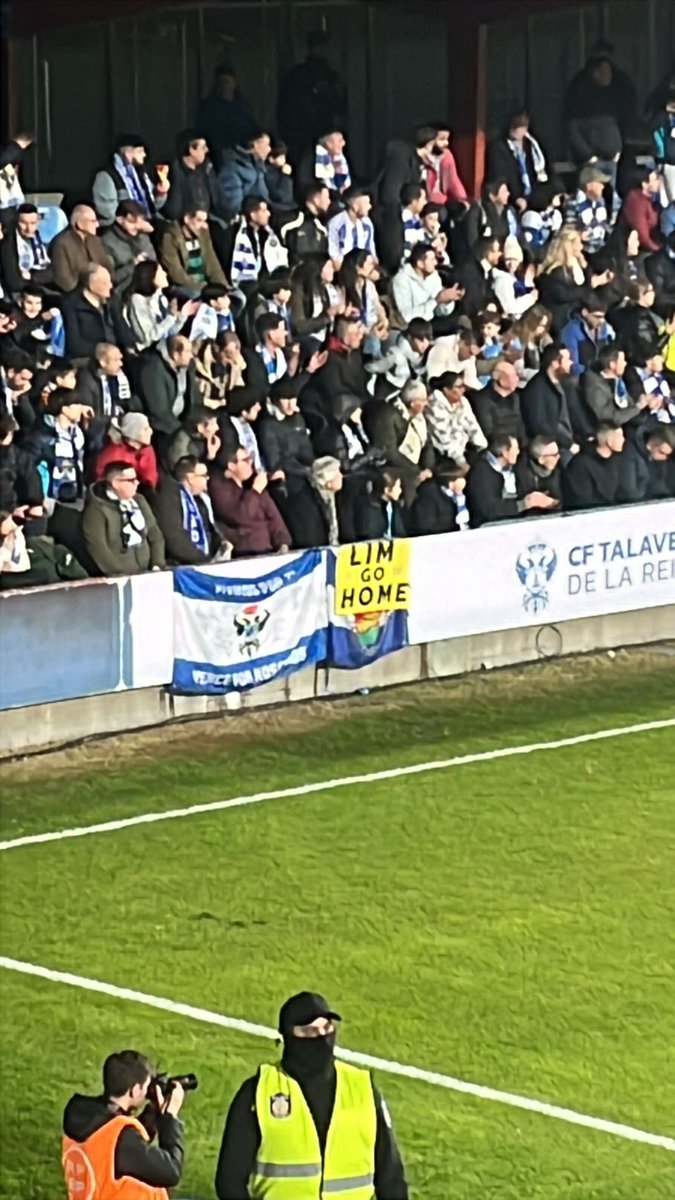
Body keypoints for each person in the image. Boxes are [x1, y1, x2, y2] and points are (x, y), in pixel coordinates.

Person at [215, 990, 408, 1200]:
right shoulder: (259, 1092)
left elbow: (391, 1178)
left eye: (327, 1027)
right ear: (288, 1036)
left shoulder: (363, 1089)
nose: (321, 1037)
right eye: (309, 1031)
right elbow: (230, 1181)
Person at [62, 1050, 183, 1199]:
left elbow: (119, 1146)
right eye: (146, 1087)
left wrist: (154, 1111)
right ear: (134, 1091)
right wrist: (170, 1118)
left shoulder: (85, 1118)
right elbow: (171, 1172)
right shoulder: (122, 1140)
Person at [82, 460, 165, 575]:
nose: (137, 483)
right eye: (131, 480)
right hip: (118, 578)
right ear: (115, 483)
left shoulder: (139, 501)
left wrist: (157, 564)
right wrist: (119, 572)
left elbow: (155, 535)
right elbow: (98, 548)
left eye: (137, 479)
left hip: (147, 572)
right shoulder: (96, 509)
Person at [276, 31, 347, 165]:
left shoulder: (329, 76)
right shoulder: (299, 76)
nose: (324, 51)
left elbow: (340, 104)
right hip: (302, 134)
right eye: (321, 47)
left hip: (316, 133)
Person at [208, 444, 290, 556]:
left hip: (269, 550)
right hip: (247, 553)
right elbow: (241, 517)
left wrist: (283, 542)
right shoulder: (219, 488)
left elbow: (272, 515)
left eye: (250, 458)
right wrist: (255, 491)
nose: (250, 463)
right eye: (245, 460)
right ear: (232, 466)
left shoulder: (250, 482)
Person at [564, 48, 636, 172]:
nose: (609, 75)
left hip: (613, 160)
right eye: (605, 72)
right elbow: (572, 128)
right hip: (592, 162)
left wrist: (618, 151)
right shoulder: (580, 95)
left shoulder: (613, 94)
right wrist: (588, 156)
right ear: (596, 73)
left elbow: (621, 123)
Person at [150, 455, 228, 565]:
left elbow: (208, 528)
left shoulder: (199, 498)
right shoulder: (168, 498)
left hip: (203, 561)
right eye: (204, 476)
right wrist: (203, 559)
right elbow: (175, 540)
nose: (207, 479)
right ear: (191, 478)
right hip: (182, 567)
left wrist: (221, 543)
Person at [466, 433, 558, 527]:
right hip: (489, 528)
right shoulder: (481, 473)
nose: (518, 452)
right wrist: (524, 504)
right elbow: (488, 510)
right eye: (515, 449)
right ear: (505, 453)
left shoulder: (516, 468)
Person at [363, 378, 435, 496]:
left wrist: (428, 468)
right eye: (423, 400)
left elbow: (427, 443)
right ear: (413, 403)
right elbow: (389, 451)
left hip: (415, 465)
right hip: (392, 466)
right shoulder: (388, 415)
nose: (426, 404)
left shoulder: (420, 418)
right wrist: (416, 471)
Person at [92, 134, 168, 227]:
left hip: (144, 224)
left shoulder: (142, 174)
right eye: (140, 151)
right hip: (121, 229)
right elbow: (108, 215)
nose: (144, 155)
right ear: (128, 154)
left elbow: (153, 208)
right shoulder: (107, 176)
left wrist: (160, 193)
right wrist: (134, 220)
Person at [76, 342, 139, 447]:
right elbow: (90, 417)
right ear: (103, 362)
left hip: (116, 422)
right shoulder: (87, 380)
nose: (121, 364)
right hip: (99, 429)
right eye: (116, 360)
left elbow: (126, 402)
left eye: (121, 359)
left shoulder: (118, 377)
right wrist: (112, 421)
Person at [520, 343, 579, 454]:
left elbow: (577, 413)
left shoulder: (566, 383)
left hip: (572, 439)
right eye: (567, 360)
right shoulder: (536, 389)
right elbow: (540, 425)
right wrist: (568, 444)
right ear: (555, 363)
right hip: (553, 445)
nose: (571, 363)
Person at [62, 264, 132, 359]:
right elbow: (74, 343)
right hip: (92, 358)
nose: (111, 286)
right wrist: (100, 350)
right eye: (105, 283)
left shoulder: (112, 300)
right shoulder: (71, 304)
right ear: (91, 285)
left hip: (119, 354)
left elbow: (124, 332)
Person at [136, 335, 200, 439]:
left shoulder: (187, 366)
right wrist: (183, 433)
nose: (191, 355)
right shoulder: (153, 370)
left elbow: (195, 398)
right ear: (175, 354)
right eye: (188, 352)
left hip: (184, 422)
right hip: (163, 431)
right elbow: (160, 412)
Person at [124, 260, 193, 352]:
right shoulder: (137, 300)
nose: (165, 274)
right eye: (161, 271)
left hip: (164, 348)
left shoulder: (160, 298)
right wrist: (170, 317)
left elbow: (169, 332)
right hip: (148, 352)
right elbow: (148, 337)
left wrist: (182, 316)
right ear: (151, 276)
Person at [196, 64, 260, 164]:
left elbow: (252, 129)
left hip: (244, 155)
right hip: (218, 157)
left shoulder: (243, 107)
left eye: (228, 82)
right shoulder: (208, 108)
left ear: (235, 83)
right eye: (222, 82)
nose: (225, 86)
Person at [163, 130, 230, 224]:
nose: (207, 150)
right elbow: (173, 210)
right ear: (191, 150)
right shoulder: (174, 172)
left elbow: (219, 202)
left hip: (207, 222)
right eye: (203, 147)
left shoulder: (207, 170)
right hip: (185, 224)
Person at [486, 112, 549, 210]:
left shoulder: (532, 146)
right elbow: (500, 175)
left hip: (534, 195)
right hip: (512, 197)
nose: (515, 130)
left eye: (520, 127)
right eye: (513, 127)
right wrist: (516, 197)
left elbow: (546, 169)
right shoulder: (499, 147)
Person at [391, 244, 461, 331]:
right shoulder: (401, 279)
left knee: (460, 321)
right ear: (420, 263)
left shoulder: (434, 276)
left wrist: (447, 301)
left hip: (430, 323)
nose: (435, 263)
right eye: (432, 260)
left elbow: (440, 312)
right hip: (410, 328)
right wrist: (436, 301)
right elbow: (406, 317)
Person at [426, 371, 487, 466]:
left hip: (464, 448)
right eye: (459, 387)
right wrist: (462, 462)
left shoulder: (463, 401)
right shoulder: (434, 406)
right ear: (446, 390)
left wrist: (483, 449)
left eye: (463, 386)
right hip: (444, 454)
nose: (463, 390)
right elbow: (444, 440)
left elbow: (473, 426)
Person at [159, 208, 226, 293]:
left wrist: (223, 287)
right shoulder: (170, 236)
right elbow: (176, 273)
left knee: (237, 296)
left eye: (204, 221)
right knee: (195, 294)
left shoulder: (203, 232)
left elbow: (212, 262)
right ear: (187, 219)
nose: (203, 225)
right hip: (183, 287)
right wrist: (204, 289)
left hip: (205, 285)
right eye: (199, 220)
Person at [562, 421, 624, 510]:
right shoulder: (580, 464)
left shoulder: (614, 460)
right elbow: (582, 502)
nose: (623, 440)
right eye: (619, 436)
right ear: (608, 440)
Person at [50, 205, 112, 294]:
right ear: (79, 223)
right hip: (75, 295)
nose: (97, 225)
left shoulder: (96, 241)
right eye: (93, 221)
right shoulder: (61, 243)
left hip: (101, 290)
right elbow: (64, 280)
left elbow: (107, 266)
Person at [582, 344, 647, 428]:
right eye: (622, 360)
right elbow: (610, 418)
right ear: (612, 365)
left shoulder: (618, 380)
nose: (625, 363)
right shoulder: (596, 388)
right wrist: (637, 407)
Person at [230, 196, 288, 286]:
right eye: (264, 211)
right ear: (253, 215)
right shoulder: (238, 235)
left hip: (265, 281)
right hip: (249, 285)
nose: (269, 214)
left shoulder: (266, 233)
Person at [93, 411, 159, 492]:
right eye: (145, 429)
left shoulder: (147, 450)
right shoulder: (114, 455)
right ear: (133, 434)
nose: (151, 431)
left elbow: (150, 480)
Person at [101, 200, 156, 295]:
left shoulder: (142, 236)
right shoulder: (107, 242)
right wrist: (133, 264)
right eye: (131, 222)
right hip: (126, 293)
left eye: (139, 221)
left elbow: (155, 263)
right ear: (119, 219)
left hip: (150, 289)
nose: (136, 226)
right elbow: (112, 278)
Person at [365, 318, 432, 395]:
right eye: (421, 340)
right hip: (386, 385)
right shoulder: (395, 350)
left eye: (428, 339)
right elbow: (372, 366)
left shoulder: (420, 356)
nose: (425, 344)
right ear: (410, 337)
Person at [0, 203, 54, 295]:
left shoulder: (42, 241)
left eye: (33, 223)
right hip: (19, 292)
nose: (29, 228)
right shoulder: (8, 244)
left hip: (38, 285)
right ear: (17, 222)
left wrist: (33, 276)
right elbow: (14, 282)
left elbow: (53, 272)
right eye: (23, 223)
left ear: (38, 222)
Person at [218, 130, 273, 215]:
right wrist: (252, 213)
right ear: (255, 145)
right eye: (266, 145)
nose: (269, 149)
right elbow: (233, 204)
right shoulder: (232, 168)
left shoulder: (258, 163)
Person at [560, 293, 615, 377]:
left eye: (603, 317)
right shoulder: (571, 331)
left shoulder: (604, 329)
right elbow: (573, 365)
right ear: (585, 312)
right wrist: (595, 373)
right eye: (597, 317)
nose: (601, 321)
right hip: (580, 381)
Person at [410, 460, 470, 534]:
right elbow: (425, 525)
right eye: (462, 478)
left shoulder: (458, 496)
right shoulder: (429, 493)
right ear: (451, 482)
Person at [473, 360, 525, 444]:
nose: (516, 379)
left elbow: (520, 426)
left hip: (517, 448)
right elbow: (489, 432)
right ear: (497, 377)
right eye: (511, 376)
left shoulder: (515, 397)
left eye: (516, 375)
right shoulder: (482, 399)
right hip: (498, 447)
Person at [565, 165, 612, 256]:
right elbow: (569, 231)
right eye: (600, 183)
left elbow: (604, 225)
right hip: (582, 253)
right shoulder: (573, 203)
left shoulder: (600, 202)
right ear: (589, 185)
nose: (603, 186)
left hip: (602, 250)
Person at [281, 182, 330, 263]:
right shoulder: (289, 223)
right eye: (327, 198)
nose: (329, 202)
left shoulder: (322, 227)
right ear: (316, 200)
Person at [353, 468, 408, 540]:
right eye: (398, 486)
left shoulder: (395, 506)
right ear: (387, 490)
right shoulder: (369, 509)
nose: (400, 490)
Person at [424, 125, 468, 211]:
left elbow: (453, 179)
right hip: (427, 201)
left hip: (444, 199)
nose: (446, 143)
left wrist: (462, 199)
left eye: (447, 139)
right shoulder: (423, 157)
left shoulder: (447, 155)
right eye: (442, 139)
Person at [327, 188, 376, 265]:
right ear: (355, 205)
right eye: (366, 203)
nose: (370, 206)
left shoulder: (367, 224)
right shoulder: (336, 224)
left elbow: (371, 251)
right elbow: (335, 257)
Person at [515, 435, 564, 511]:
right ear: (541, 459)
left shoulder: (559, 468)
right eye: (554, 455)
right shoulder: (521, 474)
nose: (558, 457)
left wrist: (554, 503)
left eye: (558, 453)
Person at [620, 167, 662, 254]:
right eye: (654, 180)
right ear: (644, 184)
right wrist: (660, 251)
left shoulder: (651, 198)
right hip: (639, 250)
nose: (658, 182)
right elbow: (643, 237)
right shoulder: (637, 201)